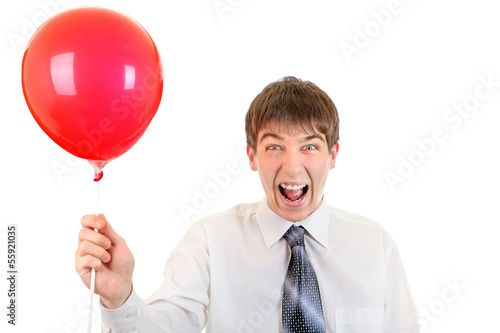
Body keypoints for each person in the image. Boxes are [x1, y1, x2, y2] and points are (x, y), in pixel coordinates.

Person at [75, 76, 420, 332]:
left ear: (333, 156)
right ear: (252, 157)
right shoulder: (210, 241)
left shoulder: (375, 245)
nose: (292, 166)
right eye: (274, 147)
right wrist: (120, 297)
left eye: (309, 146)